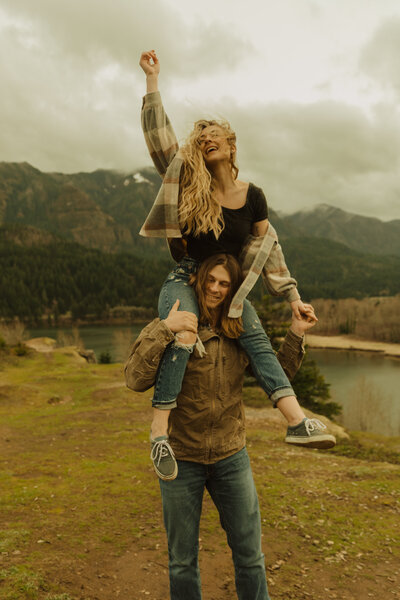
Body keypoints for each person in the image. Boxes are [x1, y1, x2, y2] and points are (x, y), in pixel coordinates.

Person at [138, 50, 333, 481]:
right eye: (201, 136)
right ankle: (159, 437)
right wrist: (153, 81)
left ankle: (298, 423)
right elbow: (158, 140)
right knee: (183, 330)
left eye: (214, 136)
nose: (206, 140)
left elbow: (270, 249)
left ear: (231, 145)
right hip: (187, 278)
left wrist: (294, 299)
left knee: (259, 342)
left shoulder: (254, 196)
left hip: (230, 288)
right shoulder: (189, 183)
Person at [125, 253, 333, 600]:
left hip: (231, 457)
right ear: (197, 279)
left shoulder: (240, 330)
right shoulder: (174, 321)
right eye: (210, 280)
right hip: (181, 459)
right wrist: (164, 329)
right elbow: (134, 378)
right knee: (181, 561)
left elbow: (272, 374)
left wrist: (296, 333)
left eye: (224, 283)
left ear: (233, 289)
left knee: (250, 558)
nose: (215, 289)